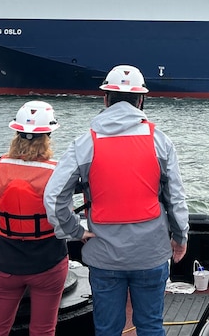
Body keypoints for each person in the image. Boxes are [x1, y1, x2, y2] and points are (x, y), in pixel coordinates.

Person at [44, 65, 189, 336]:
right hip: (151, 254)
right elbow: (176, 200)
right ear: (141, 100)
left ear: (106, 99)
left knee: (107, 329)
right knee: (150, 327)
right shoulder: (160, 141)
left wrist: (75, 230)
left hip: (104, 256)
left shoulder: (84, 143)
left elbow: (53, 197)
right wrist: (180, 239)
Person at [0, 101, 69, 336]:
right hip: (48, 260)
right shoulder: (55, 170)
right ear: (48, 135)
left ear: (16, 132)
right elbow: (63, 214)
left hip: (6, 260)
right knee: (43, 330)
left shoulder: (0, 164)